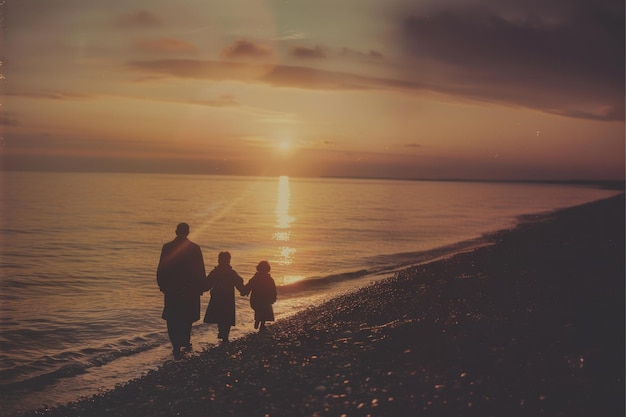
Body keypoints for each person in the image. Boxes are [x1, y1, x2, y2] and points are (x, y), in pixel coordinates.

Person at [157, 223, 207, 358]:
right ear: (188, 232)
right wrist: (201, 286)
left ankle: (175, 345)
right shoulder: (195, 248)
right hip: (190, 289)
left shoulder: (167, 247)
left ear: (176, 231)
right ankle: (185, 340)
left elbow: (162, 267)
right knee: (187, 316)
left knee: (173, 317)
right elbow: (200, 269)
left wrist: (162, 285)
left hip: (172, 288)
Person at [203, 251, 246, 342]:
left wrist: (198, 288)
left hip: (217, 298)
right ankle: (225, 335)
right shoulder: (232, 273)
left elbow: (206, 286)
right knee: (227, 317)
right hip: (228, 299)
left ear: (219, 260)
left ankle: (222, 332)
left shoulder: (215, 272)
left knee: (220, 316)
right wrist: (244, 291)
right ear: (229, 261)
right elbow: (239, 284)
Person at [243, 260, 277, 332]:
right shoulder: (258, 278)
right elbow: (249, 285)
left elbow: (273, 289)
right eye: (262, 270)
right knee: (261, 309)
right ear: (259, 269)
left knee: (262, 310)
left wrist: (273, 297)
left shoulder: (267, 279)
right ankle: (259, 321)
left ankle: (261, 323)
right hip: (258, 299)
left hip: (262, 298)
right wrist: (245, 291)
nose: (263, 272)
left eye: (264, 270)